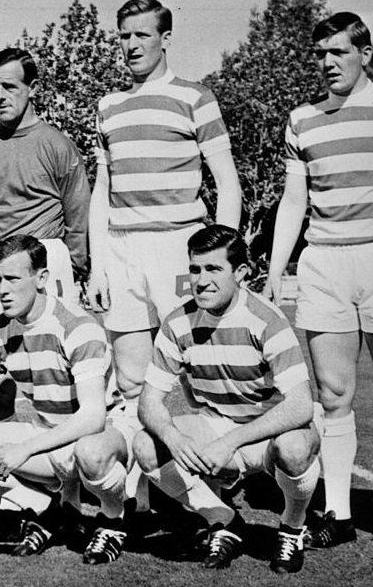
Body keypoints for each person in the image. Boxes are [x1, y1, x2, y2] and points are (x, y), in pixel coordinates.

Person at [265, 11, 373, 554]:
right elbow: (293, 201)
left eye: (338, 52)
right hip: (322, 265)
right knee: (333, 395)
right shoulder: (302, 118)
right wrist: (273, 270)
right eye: (320, 54)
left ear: (366, 53)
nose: (328, 62)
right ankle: (337, 511)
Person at [87, 0, 243, 471]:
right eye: (124, 36)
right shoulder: (108, 107)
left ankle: (211, 487)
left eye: (142, 35)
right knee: (132, 378)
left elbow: (228, 182)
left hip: (180, 247)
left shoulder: (195, 97)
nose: (132, 45)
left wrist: (223, 258)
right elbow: (102, 191)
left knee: (197, 373)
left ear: (165, 39)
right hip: (123, 250)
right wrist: (98, 264)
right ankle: (142, 496)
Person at [135, 225, 320, 574]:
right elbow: (148, 403)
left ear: (241, 273)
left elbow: (300, 406)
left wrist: (230, 442)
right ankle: (223, 520)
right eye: (195, 269)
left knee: (295, 449)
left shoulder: (267, 320)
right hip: (217, 426)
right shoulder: (177, 323)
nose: (201, 280)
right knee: (147, 443)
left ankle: (293, 527)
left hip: (268, 432)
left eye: (213, 269)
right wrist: (174, 437)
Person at [0, 235, 107, 556]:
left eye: (13, 278)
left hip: (96, 442)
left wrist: (22, 450)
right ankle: (47, 505)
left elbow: (94, 416)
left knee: (83, 453)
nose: (3, 289)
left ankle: (109, 515)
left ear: (42, 278)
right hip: (47, 435)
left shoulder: (77, 326)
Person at [0, 48, 90, 350]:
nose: (0, 95)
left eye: (10, 86)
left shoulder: (57, 145)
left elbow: (77, 214)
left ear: (32, 88)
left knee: (55, 360)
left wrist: (75, 267)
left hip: (45, 258)